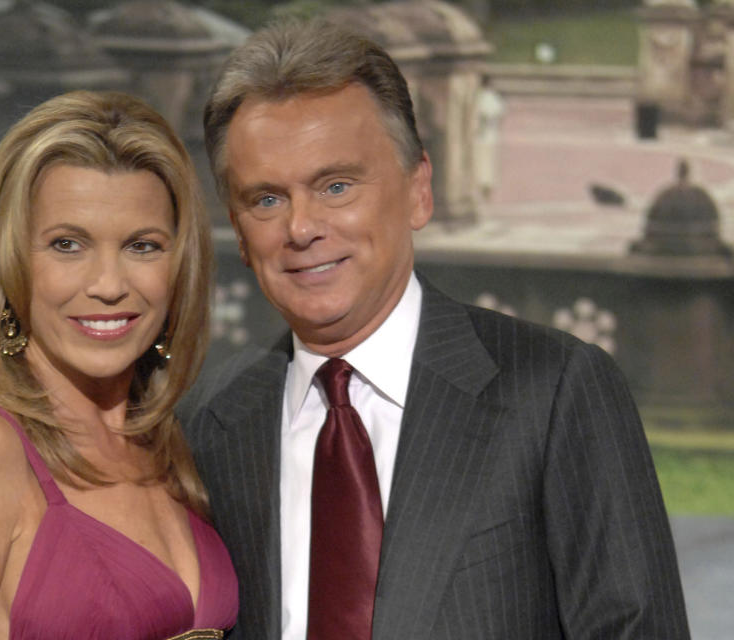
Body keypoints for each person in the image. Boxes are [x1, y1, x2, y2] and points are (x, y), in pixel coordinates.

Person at [181, 20, 689, 639]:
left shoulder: (554, 392)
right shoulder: (211, 419)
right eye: (266, 200)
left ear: (419, 190)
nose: (301, 227)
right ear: (236, 226)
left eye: (336, 185)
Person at [0, 91, 237, 639]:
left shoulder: (175, 439)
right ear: (10, 263)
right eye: (68, 244)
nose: (108, 285)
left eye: (143, 246)